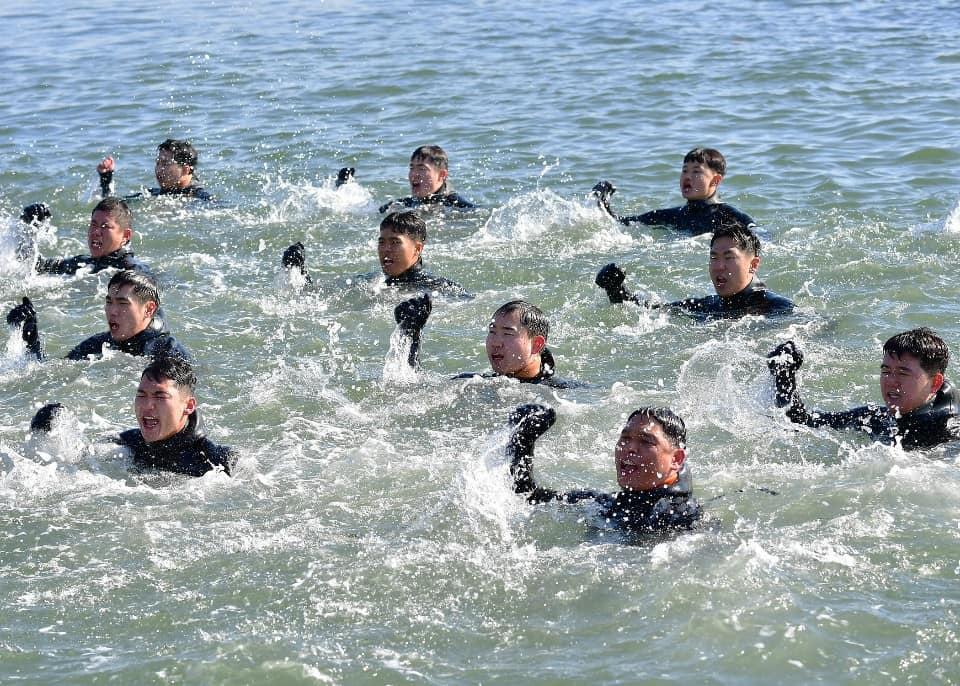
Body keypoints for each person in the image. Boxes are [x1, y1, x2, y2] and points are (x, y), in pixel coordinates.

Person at [506, 403, 702, 533]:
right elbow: (527, 498)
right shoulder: (608, 504)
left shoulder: (683, 520)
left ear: (676, 458)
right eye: (625, 438)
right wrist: (523, 443)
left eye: (646, 441)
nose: (630, 448)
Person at [30, 356, 233, 477]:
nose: (147, 406)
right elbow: (73, 463)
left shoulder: (215, 462)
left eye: (160, 396)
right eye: (141, 395)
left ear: (188, 406)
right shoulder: (128, 444)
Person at [767, 329, 960, 451]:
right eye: (886, 371)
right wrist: (784, 377)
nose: (890, 382)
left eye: (903, 373)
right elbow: (801, 423)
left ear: (934, 383)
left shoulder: (948, 430)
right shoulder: (876, 417)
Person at [595, 221, 793, 321]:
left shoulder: (776, 308)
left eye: (729, 258)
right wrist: (616, 289)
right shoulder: (708, 306)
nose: (718, 266)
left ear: (753, 264)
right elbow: (648, 310)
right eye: (713, 257)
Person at [394, 295, 576, 387]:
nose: (496, 342)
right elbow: (411, 387)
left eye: (507, 333)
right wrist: (411, 333)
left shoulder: (562, 394)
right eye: (492, 332)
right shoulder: (472, 384)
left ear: (536, 344)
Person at [6, 270, 187, 361]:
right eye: (109, 302)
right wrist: (30, 338)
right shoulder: (99, 344)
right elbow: (48, 372)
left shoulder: (168, 352)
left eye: (123, 303)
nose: (112, 311)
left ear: (149, 309)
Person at [282, 210, 471, 297]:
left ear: (418, 248)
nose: (386, 249)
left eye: (395, 242)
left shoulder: (440, 289)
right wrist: (297, 270)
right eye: (381, 242)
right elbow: (312, 296)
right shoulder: (369, 281)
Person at [592, 147, 755, 235]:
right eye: (684, 170)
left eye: (696, 171)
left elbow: (759, 234)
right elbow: (619, 223)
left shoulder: (729, 215)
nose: (687, 176)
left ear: (716, 180)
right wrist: (602, 202)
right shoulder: (670, 216)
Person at [31, 197, 152, 276]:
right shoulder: (82, 263)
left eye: (105, 226)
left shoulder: (133, 271)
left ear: (126, 235)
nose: (96, 232)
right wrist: (30, 227)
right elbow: (34, 265)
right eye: (93, 224)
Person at [97, 139, 212, 201]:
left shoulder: (200, 198)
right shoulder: (151, 194)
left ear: (185, 170)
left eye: (165, 163)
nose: (159, 169)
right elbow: (110, 204)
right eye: (157, 163)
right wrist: (106, 178)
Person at [377, 145, 475, 213]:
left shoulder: (457, 206)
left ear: (442, 175)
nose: (414, 174)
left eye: (422, 169)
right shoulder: (401, 205)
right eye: (412, 168)